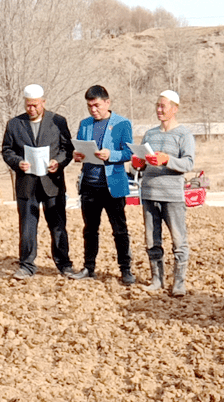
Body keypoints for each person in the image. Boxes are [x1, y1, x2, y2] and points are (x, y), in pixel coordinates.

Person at [1, 84, 76, 279]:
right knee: (27, 226)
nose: (31, 109)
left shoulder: (58, 121)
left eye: (35, 105)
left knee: (58, 225)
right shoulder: (14, 124)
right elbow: (7, 150)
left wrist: (57, 163)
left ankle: (64, 264)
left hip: (52, 182)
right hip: (27, 184)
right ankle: (26, 265)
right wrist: (18, 163)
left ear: (43, 102)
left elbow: (67, 150)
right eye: (28, 105)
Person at [68, 85, 136, 285]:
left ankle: (126, 269)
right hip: (90, 183)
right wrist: (77, 156)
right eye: (89, 106)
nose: (93, 110)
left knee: (119, 229)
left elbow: (129, 152)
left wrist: (111, 155)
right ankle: (89, 267)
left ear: (107, 102)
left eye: (96, 105)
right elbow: (80, 149)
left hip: (112, 183)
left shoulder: (122, 124)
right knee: (90, 229)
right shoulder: (85, 124)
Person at [131, 90, 195, 297]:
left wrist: (167, 160)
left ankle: (179, 282)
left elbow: (188, 163)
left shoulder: (183, 134)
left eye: (163, 106)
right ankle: (156, 279)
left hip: (172, 195)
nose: (159, 110)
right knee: (152, 239)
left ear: (174, 109)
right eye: (157, 106)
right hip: (149, 193)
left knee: (178, 240)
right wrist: (138, 164)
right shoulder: (150, 134)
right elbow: (141, 163)